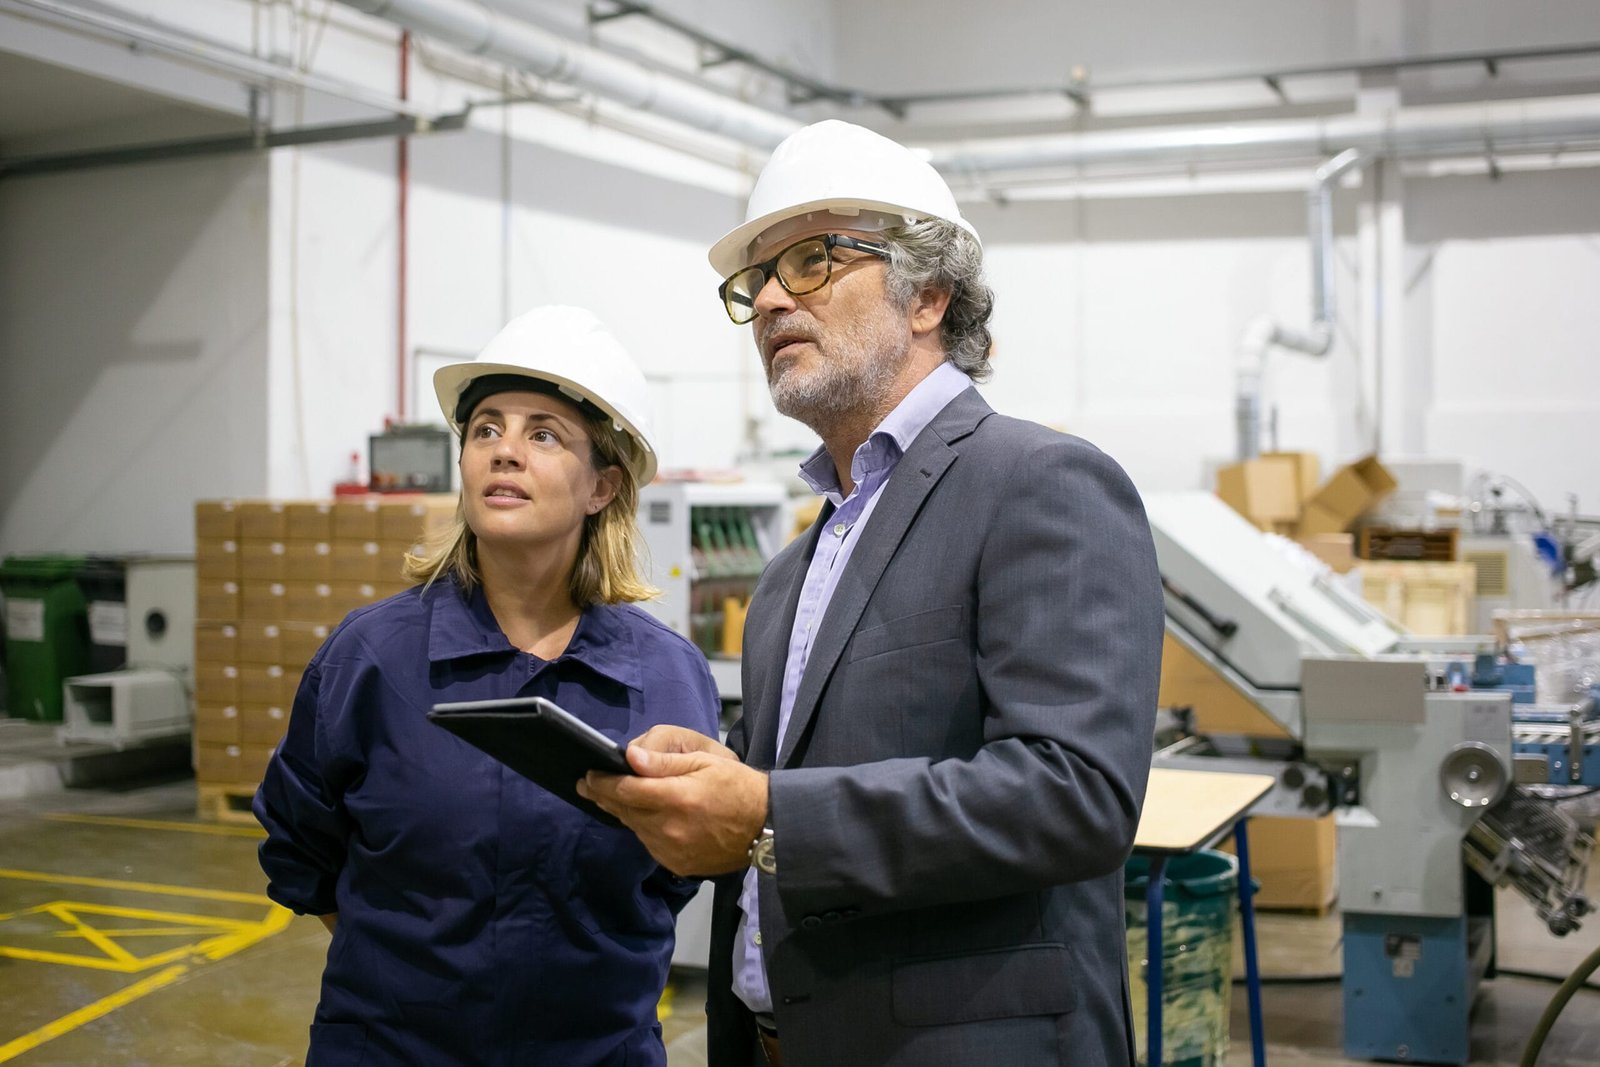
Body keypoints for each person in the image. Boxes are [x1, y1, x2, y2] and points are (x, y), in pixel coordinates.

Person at [579, 120, 1164, 1066]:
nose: (769, 298)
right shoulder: (791, 574)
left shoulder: (1039, 482)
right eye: (756, 279)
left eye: (811, 258)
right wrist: (706, 786)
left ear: (928, 293)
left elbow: (1076, 794)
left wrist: (768, 813)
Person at [254, 306, 719, 1066]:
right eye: (485, 430)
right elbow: (300, 847)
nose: (505, 451)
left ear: (603, 485)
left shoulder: (665, 673)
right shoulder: (370, 657)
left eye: (543, 434)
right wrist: (414, 977)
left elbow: (677, 868)